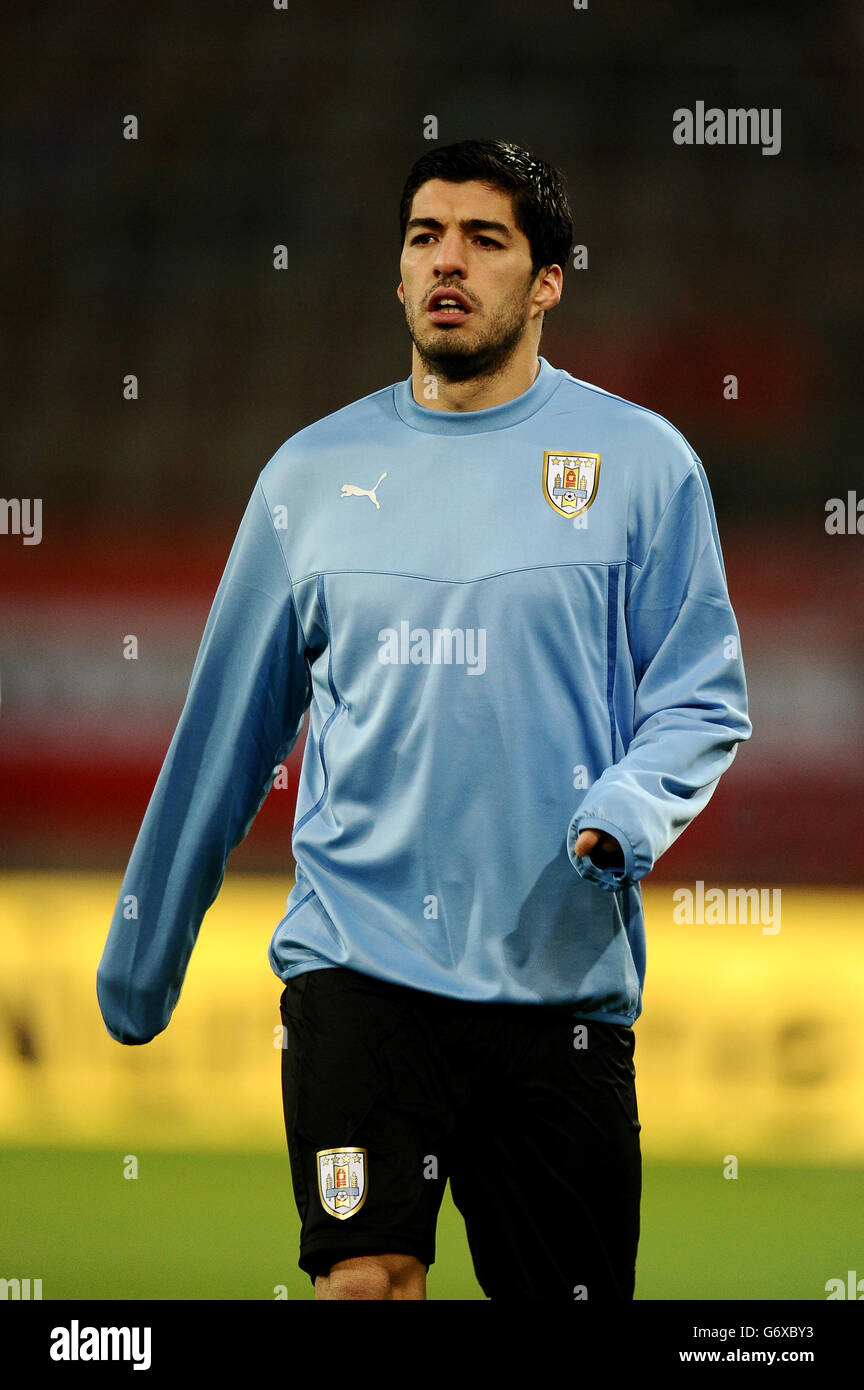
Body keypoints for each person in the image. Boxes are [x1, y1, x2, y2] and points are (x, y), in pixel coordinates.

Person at [97, 138, 751, 1301]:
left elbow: (702, 696)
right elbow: (223, 740)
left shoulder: (644, 466)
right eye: (423, 237)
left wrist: (627, 811)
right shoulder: (308, 477)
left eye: (485, 239)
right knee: (368, 1279)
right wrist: (142, 959)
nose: (448, 261)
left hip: (557, 991)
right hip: (359, 974)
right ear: (398, 275)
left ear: (548, 279)